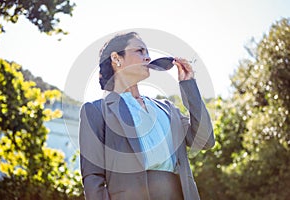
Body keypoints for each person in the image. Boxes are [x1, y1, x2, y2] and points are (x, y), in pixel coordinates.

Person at [79, 32, 215, 200]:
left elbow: (205, 140)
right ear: (116, 58)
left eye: (148, 52)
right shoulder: (96, 111)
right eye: (140, 51)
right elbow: (93, 178)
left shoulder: (167, 109)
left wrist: (188, 85)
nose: (148, 57)